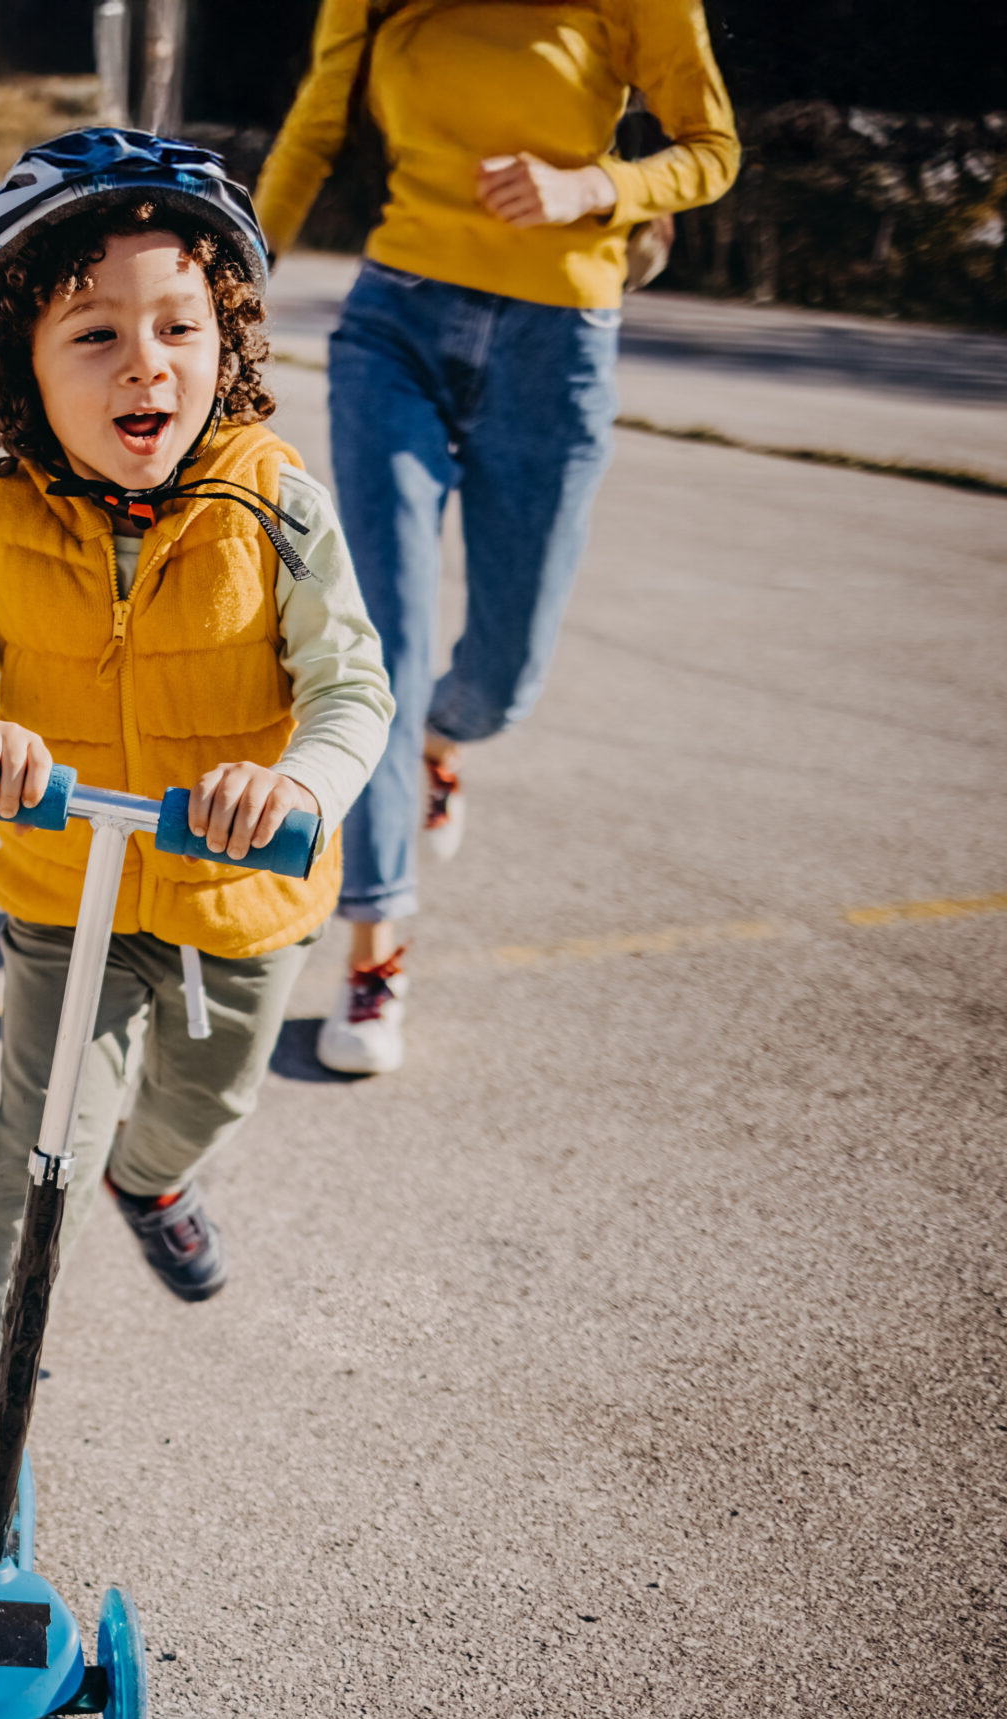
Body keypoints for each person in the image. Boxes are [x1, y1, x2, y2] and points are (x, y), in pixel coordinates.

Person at [0, 131, 394, 1551]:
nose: (143, 364)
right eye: (93, 333)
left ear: (228, 340)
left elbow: (352, 685)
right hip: (68, 891)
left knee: (197, 1108)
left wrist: (299, 789)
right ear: (17, 371)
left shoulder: (277, 503)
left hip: (244, 892)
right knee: (35, 1144)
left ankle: (154, 1179)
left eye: (179, 326)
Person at [255, 0, 739, 1074]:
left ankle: (445, 741)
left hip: (555, 343)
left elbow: (711, 151)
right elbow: (313, 132)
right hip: (396, 324)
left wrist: (598, 185)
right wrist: (232, 276)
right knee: (381, 643)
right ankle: (376, 945)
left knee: (503, 675)